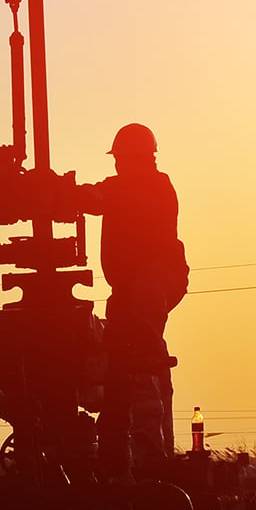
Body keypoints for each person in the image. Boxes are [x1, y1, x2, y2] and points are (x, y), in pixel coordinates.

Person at [77, 123, 189, 478]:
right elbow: (103, 195)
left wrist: (64, 193)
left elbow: (104, 197)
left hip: (156, 284)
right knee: (117, 375)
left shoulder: (154, 186)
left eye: (121, 159)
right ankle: (114, 455)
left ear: (137, 159)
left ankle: (152, 459)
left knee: (141, 363)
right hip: (127, 295)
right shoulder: (125, 186)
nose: (116, 165)